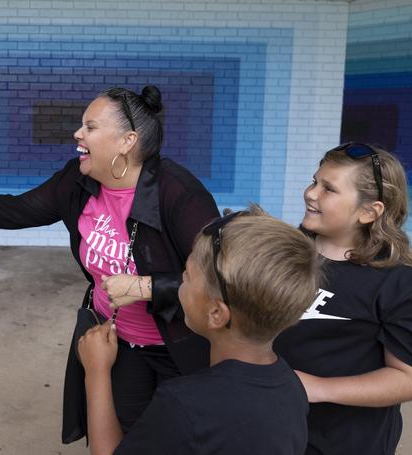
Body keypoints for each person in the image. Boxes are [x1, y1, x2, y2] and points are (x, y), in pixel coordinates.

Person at [0, 85, 220, 440]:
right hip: (117, 343)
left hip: (180, 347)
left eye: (90, 127)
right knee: (126, 437)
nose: (77, 134)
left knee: (184, 440)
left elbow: (220, 277)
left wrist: (145, 286)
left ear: (127, 141)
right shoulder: (78, 179)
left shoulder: (179, 193)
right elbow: (16, 210)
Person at [78, 206, 320, 455]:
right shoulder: (292, 388)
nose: (180, 284)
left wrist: (97, 371)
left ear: (216, 314)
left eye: (187, 277)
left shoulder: (183, 404)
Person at [273, 142, 412, 454]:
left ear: (368, 211)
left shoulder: (397, 281)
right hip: (275, 429)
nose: (311, 193)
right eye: (314, 181)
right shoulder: (287, 252)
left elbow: (406, 378)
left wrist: (319, 388)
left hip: (344, 441)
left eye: (329, 189)